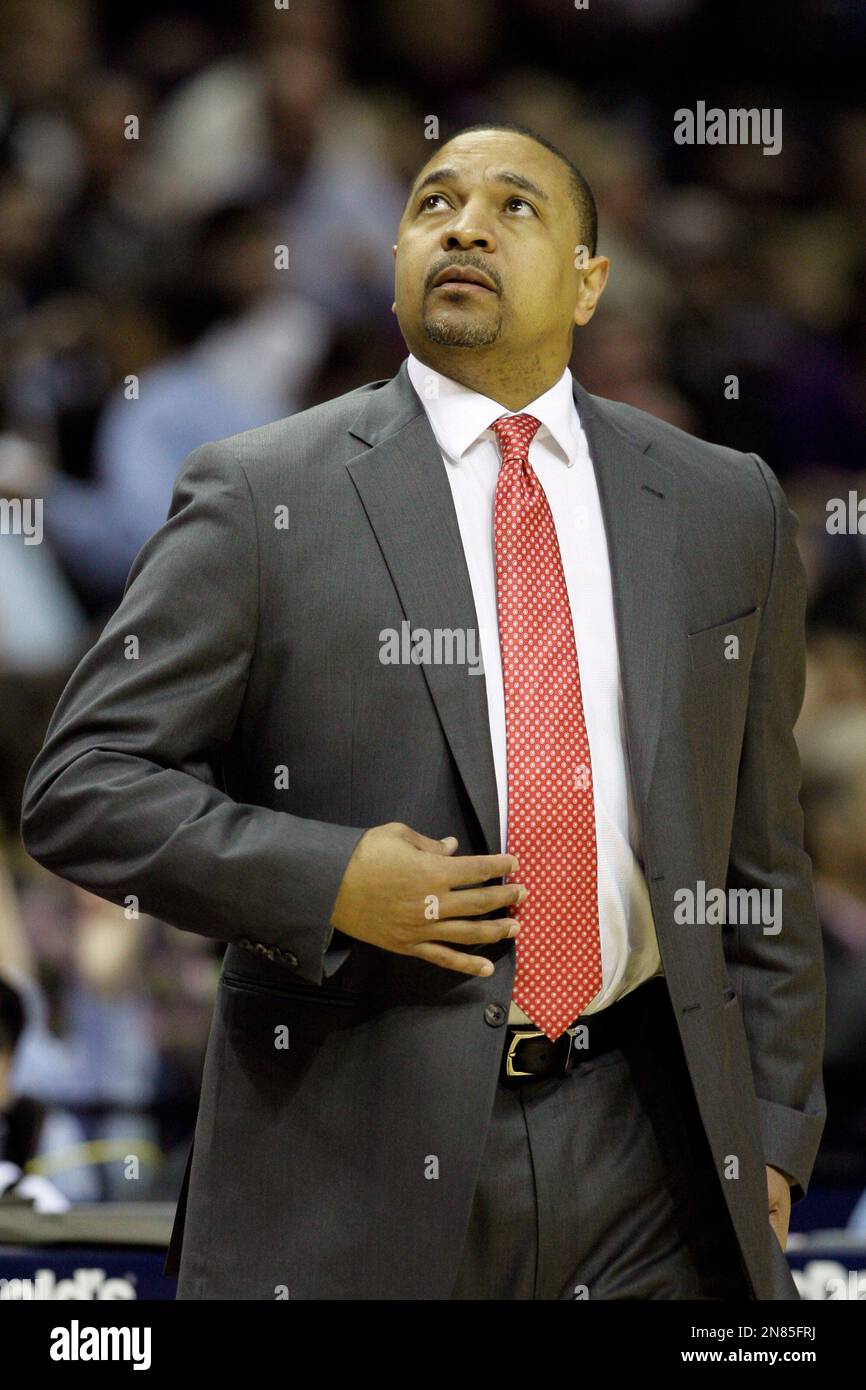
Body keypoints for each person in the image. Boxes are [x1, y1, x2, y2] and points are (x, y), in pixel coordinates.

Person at [20, 122, 826, 1300]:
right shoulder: (261, 493)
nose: (463, 225)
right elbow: (82, 785)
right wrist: (327, 880)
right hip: (355, 1149)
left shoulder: (720, 504)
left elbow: (761, 850)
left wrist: (773, 1125)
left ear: (590, 282)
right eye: (433, 203)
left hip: (654, 1148)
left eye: (514, 208)